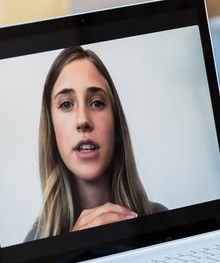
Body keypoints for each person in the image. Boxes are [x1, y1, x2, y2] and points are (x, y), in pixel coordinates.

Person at [25, 46, 166, 241]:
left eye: (97, 102)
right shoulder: (35, 242)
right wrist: (73, 247)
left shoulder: (160, 220)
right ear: (51, 130)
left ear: (116, 124)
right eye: (66, 104)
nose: (83, 120)